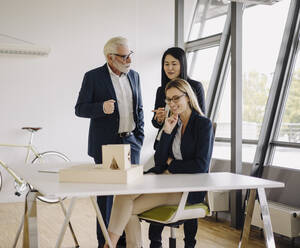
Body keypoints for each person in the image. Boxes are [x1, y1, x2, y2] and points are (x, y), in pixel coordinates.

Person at [104, 78, 213, 248]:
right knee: (124, 197)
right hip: (164, 180)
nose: (172, 103)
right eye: (169, 99)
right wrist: (167, 132)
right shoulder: (173, 123)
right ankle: (111, 245)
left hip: (185, 188)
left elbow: (201, 165)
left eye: (176, 98)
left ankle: (109, 245)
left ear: (188, 97)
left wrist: (171, 164)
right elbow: (160, 160)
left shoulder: (203, 124)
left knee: (128, 209)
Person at [75, 36, 144, 248]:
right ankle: (104, 242)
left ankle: (125, 241)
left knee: (129, 195)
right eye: (124, 56)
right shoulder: (93, 77)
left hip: (130, 142)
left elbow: (139, 108)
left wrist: (139, 137)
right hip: (106, 145)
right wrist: (100, 108)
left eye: (130, 54)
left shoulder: (135, 76)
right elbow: (79, 109)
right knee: (105, 197)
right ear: (110, 58)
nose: (128, 60)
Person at [150, 47, 206, 248]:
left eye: (174, 63)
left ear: (182, 64)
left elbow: (200, 118)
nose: (170, 67)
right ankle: (154, 241)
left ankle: (189, 242)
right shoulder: (161, 89)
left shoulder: (195, 86)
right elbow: (157, 123)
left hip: (188, 147)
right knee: (156, 177)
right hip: (168, 140)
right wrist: (159, 120)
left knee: (187, 188)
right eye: (166, 64)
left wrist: (171, 163)